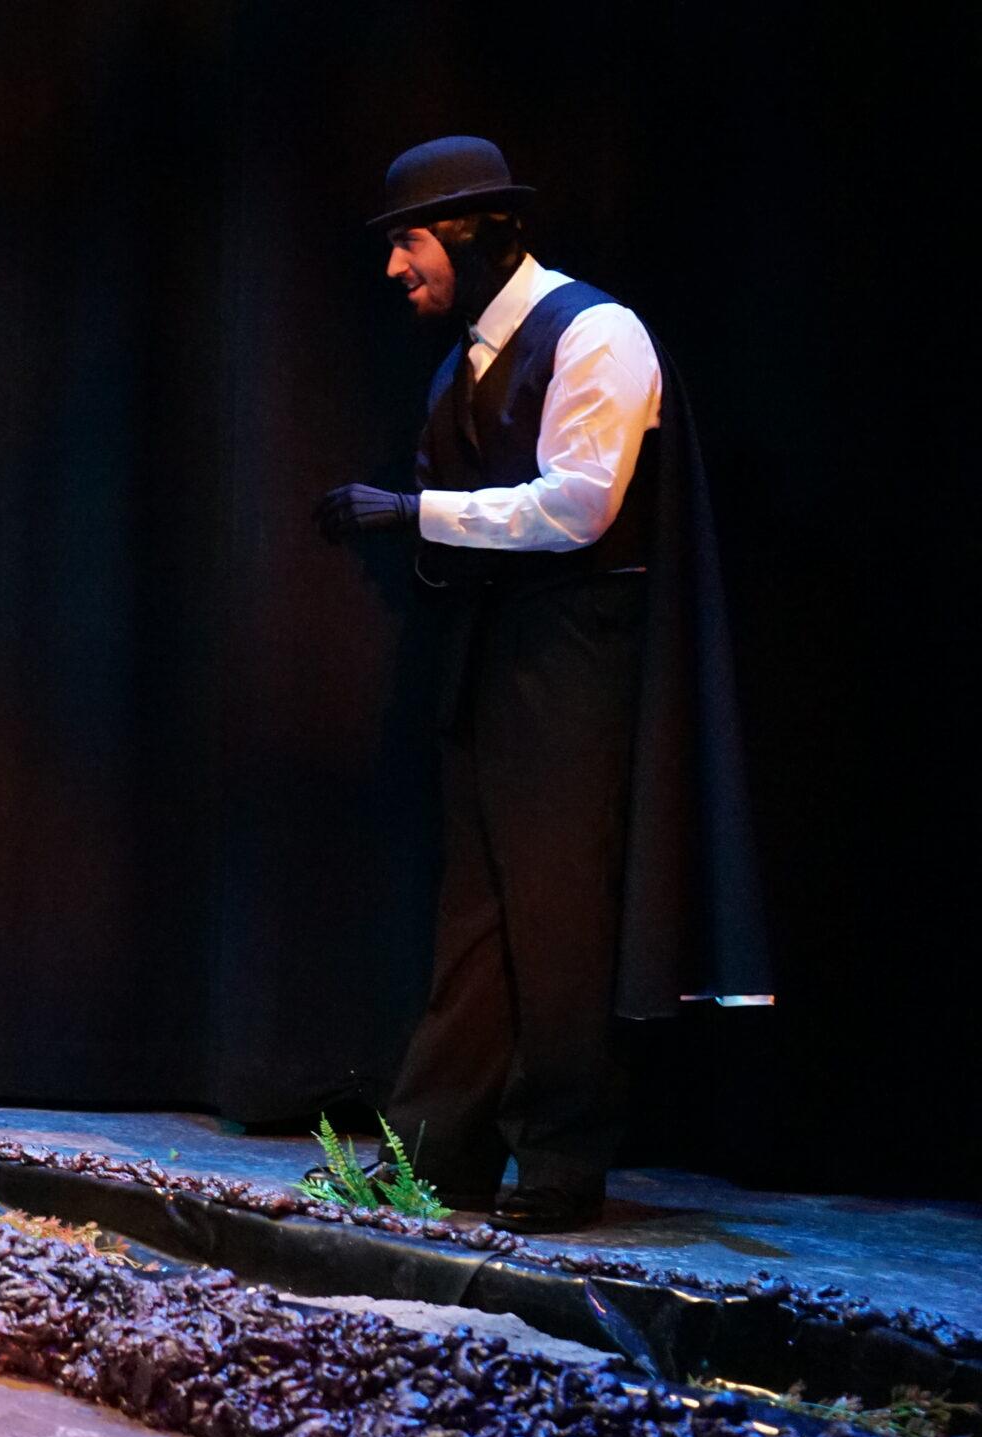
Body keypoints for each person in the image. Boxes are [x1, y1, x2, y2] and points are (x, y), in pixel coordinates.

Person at [313, 138, 767, 1233]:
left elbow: (578, 503)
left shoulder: (594, 333)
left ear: (474, 235)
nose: (394, 268)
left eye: (410, 242)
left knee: (561, 922)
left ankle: (562, 1161)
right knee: (473, 925)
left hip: (577, 662)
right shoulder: (463, 361)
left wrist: (413, 513)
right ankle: (437, 1158)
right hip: (495, 656)